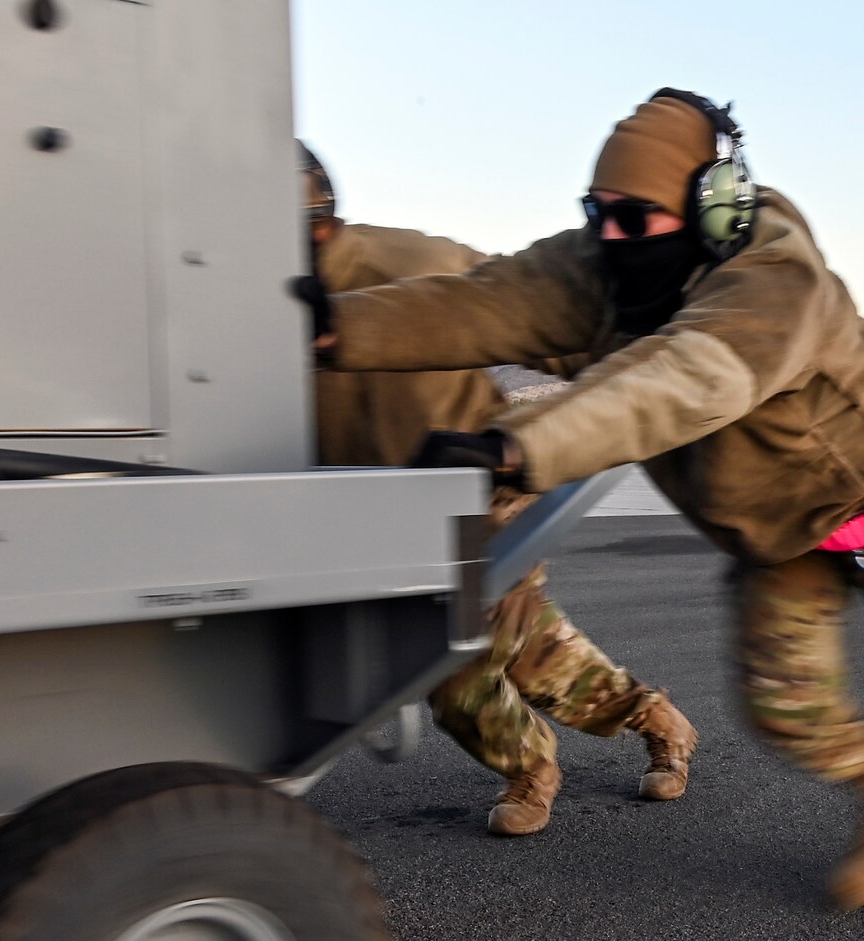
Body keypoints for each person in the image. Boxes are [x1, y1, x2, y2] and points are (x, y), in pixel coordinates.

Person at [300, 94, 864, 908]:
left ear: (715, 209)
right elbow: (487, 299)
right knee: (785, 707)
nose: (611, 236)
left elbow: (686, 379)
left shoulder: (775, 280)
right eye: (597, 212)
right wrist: (333, 329)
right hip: (789, 532)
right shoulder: (602, 263)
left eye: (635, 219)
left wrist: (522, 445)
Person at [298, 141, 698, 837]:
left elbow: (540, 317)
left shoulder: (409, 263)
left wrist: (615, 404)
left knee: (474, 649)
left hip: (479, 484)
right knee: (475, 664)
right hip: (374, 509)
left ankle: (558, 757)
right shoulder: (238, 315)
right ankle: (615, 728)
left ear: (319, 222)